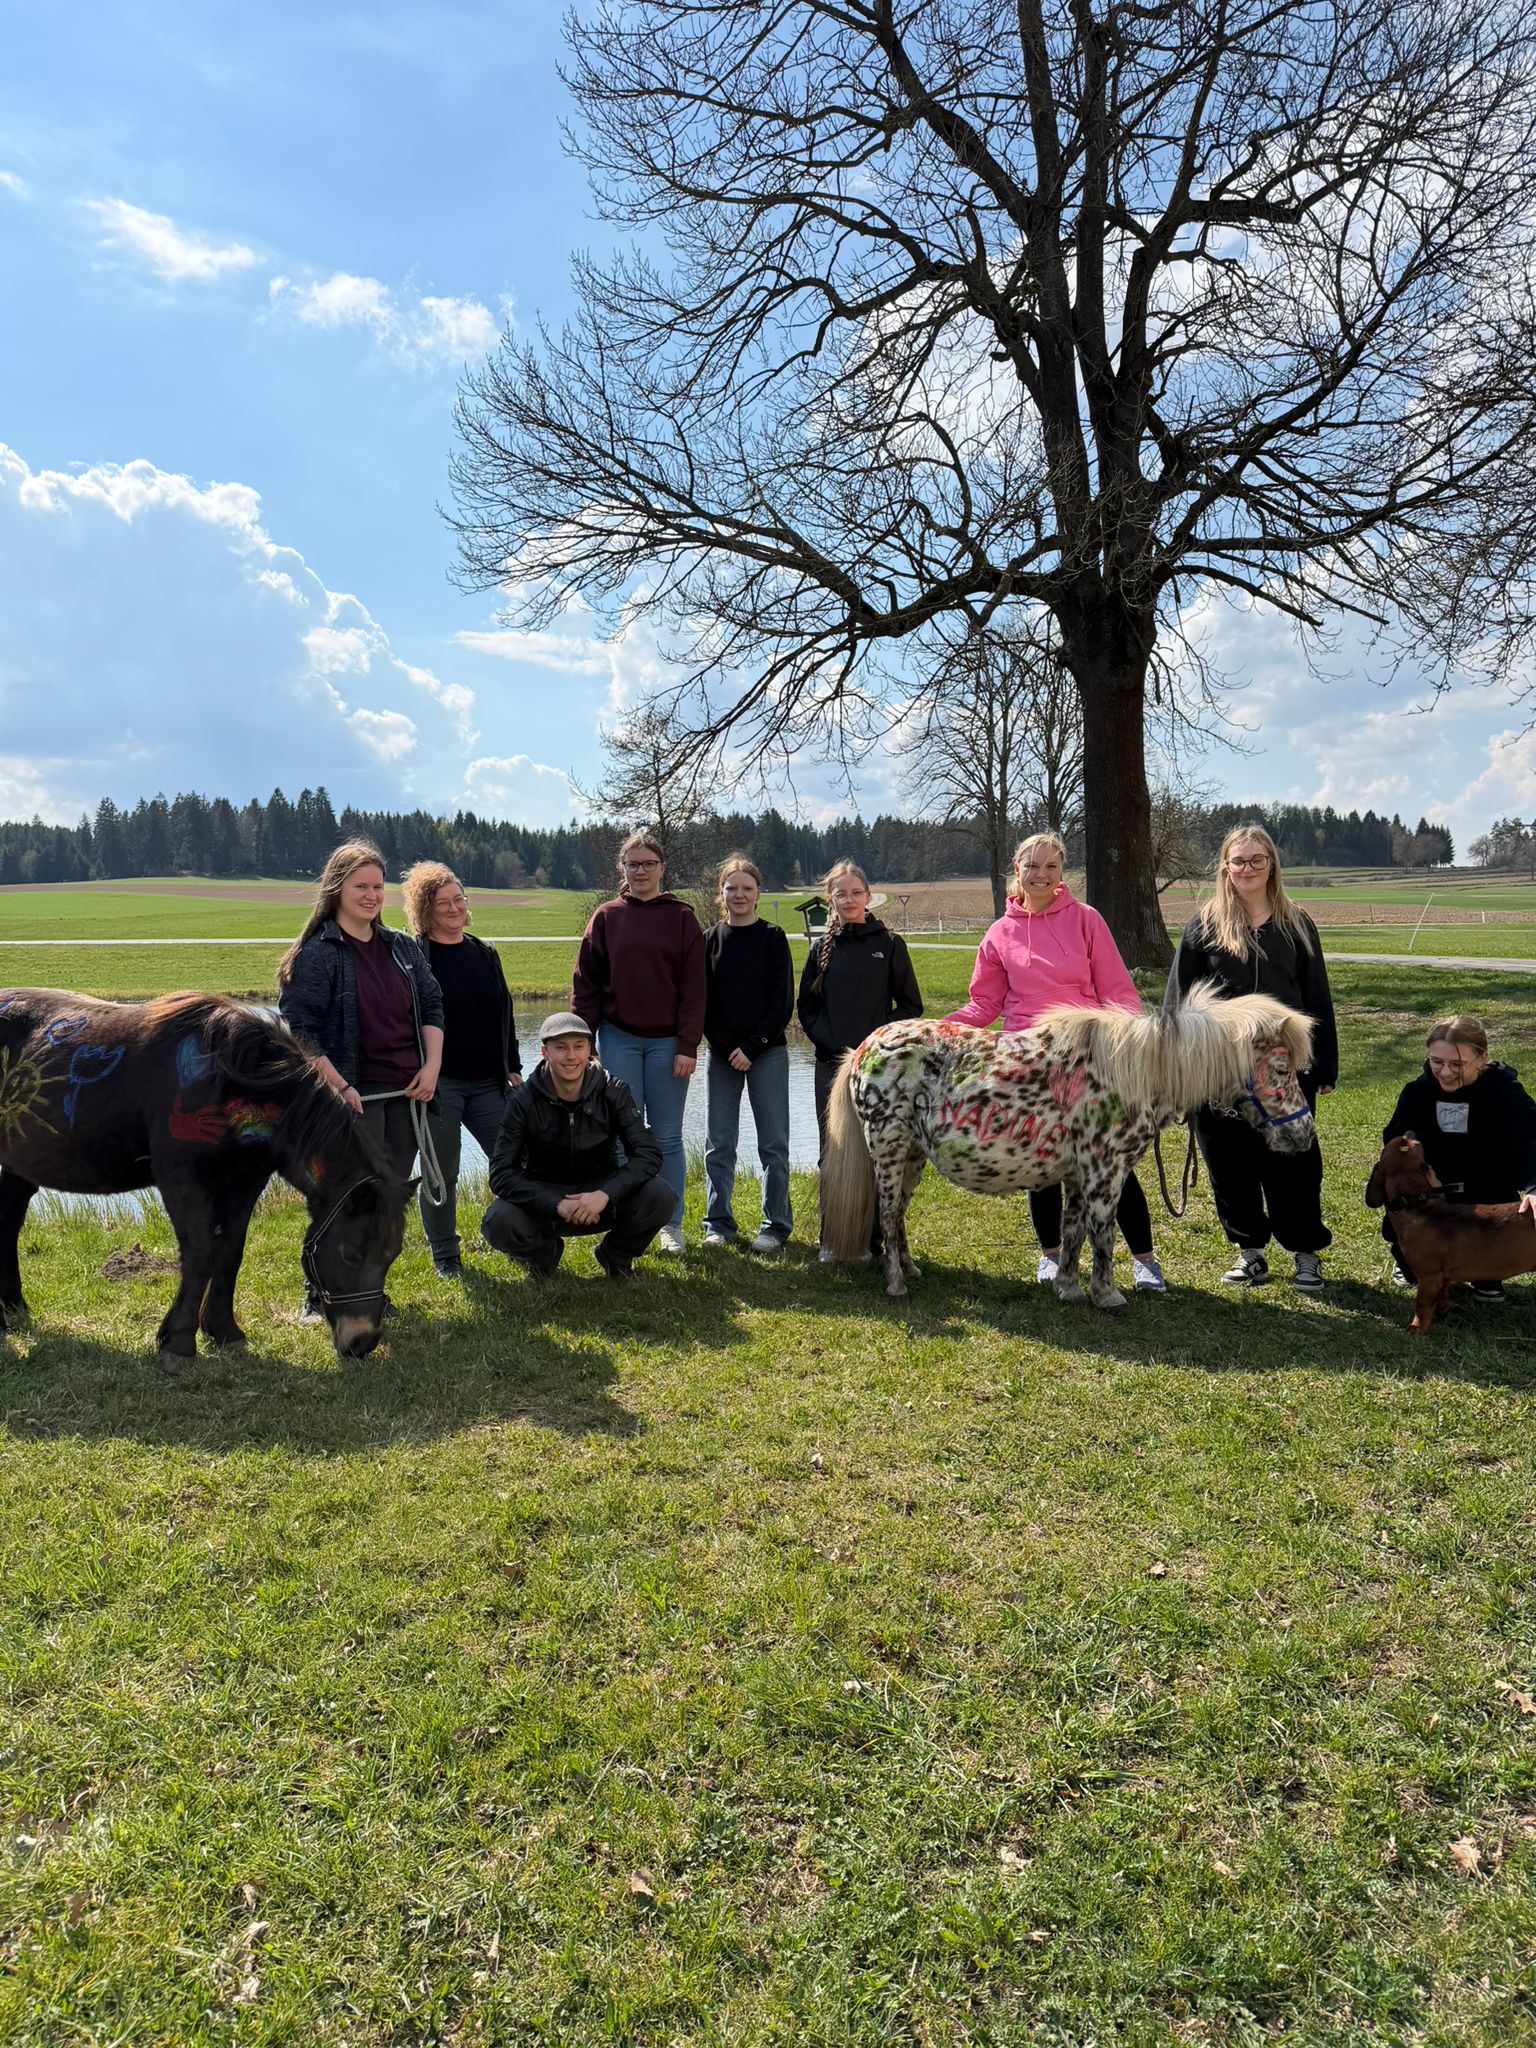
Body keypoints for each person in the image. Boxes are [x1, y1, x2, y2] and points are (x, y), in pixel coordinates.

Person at [945, 831, 1165, 1292]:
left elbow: (1117, 990)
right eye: (1031, 866)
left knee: (1109, 1161)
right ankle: (1050, 1256)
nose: (1040, 874)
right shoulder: (999, 932)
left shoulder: (1086, 920)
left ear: (1062, 872)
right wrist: (941, 1029)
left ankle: (1144, 1261)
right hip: (1027, 1060)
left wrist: (1137, 1045)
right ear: (1017, 870)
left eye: (1050, 867)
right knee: (1041, 1161)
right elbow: (984, 1004)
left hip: (1087, 1057)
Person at [1164, 824, 1338, 1291]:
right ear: (1225, 866)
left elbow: (1317, 999)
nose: (1247, 868)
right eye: (1238, 861)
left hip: (1282, 1067)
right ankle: (1250, 1253)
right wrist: (1176, 1069)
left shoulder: (1297, 924)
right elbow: (1177, 1001)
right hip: (1218, 1067)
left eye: (1257, 860)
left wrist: (1324, 1065)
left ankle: (1305, 1253)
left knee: (1295, 1161)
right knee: (1228, 1161)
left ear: (1271, 865)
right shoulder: (1204, 924)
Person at [277, 840, 444, 1318]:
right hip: (349, 1100)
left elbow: (432, 1007)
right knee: (343, 1199)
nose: (371, 896)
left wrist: (431, 1067)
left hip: (408, 1095)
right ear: (336, 889)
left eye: (377, 887)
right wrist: (339, 1087)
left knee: (385, 1203)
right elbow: (301, 1030)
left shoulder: (402, 948)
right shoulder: (319, 953)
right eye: (361, 887)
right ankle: (317, 1294)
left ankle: (370, 1292)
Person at [571, 830, 705, 1255]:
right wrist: (585, 1042)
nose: (641, 870)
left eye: (648, 863)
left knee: (666, 1137)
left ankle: (671, 1225)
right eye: (633, 864)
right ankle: (626, 1222)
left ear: (662, 868)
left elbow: (694, 988)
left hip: (668, 1045)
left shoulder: (682, 918)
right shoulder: (606, 917)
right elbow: (585, 984)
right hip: (619, 1039)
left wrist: (688, 1044)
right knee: (620, 1135)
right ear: (622, 870)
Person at [481, 1012, 674, 1279]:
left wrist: (604, 1194)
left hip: (601, 1194)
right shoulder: (522, 1100)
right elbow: (501, 1174)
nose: (571, 1056)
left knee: (661, 1196)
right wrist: (556, 1203)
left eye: (579, 1046)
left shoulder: (613, 1091)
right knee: (498, 1222)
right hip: (544, 1199)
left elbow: (648, 1154)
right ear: (544, 1052)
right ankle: (543, 1257)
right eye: (561, 1047)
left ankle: (616, 1255)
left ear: (589, 1050)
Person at [797, 859, 924, 1259]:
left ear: (868, 896)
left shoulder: (889, 945)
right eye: (840, 893)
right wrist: (830, 1043)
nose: (849, 900)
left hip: (877, 1070)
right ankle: (833, 1240)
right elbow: (807, 1008)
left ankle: (874, 1241)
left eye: (856, 892)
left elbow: (910, 1006)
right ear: (830, 899)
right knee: (832, 1152)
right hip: (831, 1067)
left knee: (876, 1154)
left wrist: (875, 1044)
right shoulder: (821, 949)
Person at [401, 862, 522, 1280]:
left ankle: (519, 1238)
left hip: (490, 1082)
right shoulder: (414, 955)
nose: (454, 909)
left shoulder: (485, 953)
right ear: (425, 909)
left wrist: (513, 1066)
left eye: (459, 900)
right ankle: (445, 1254)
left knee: (514, 1162)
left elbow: (504, 1012)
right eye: (442, 903)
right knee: (442, 1173)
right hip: (440, 1085)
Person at [1380, 1015, 1536, 1302]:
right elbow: (1396, 1142)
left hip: (1486, 1194)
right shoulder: (1416, 1094)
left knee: (1494, 1231)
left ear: (1483, 1057)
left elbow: (1530, 1137)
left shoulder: (1505, 1093)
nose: (1446, 1072)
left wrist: (1535, 1186)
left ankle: (1488, 1273)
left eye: (1457, 1065)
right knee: (1417, 1265)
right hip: (1432, 1199)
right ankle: (1410, 1262)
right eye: (1436, 1062)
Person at [701, 854, 795, 1253]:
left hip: (768, 1053)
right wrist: (727, 1048)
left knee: (773, 1144)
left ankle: (774, 1226)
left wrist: (752, 1047)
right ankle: (717, 1224)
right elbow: (700, 1003)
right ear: (721, 893)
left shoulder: (773, 937)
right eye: (731, 888)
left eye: (747, 888)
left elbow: (782, 1001)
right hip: (721, 1057)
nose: (739, 894)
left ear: (758, 893)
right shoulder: (709, 939)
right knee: (718, 1143)